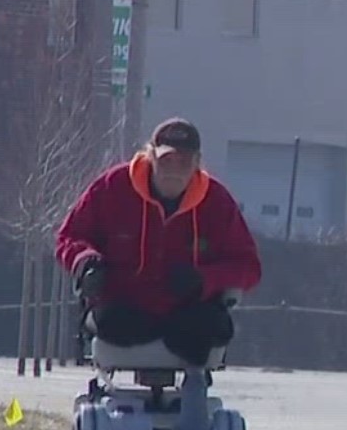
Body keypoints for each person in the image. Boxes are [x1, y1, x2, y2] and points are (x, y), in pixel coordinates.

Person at [54, 118, 262, 366]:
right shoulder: (112, 188)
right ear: (150, 156)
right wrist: (85, 261)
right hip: (124, 306)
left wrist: (204, 279)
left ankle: (193, 397)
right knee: (115, 322)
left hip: (189, 311)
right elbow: (69, 237)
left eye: (183, 162)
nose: (174, 170)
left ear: (197, 162)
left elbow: (248, 266)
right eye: (166, 160)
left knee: (205, 329)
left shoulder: (217, 201)